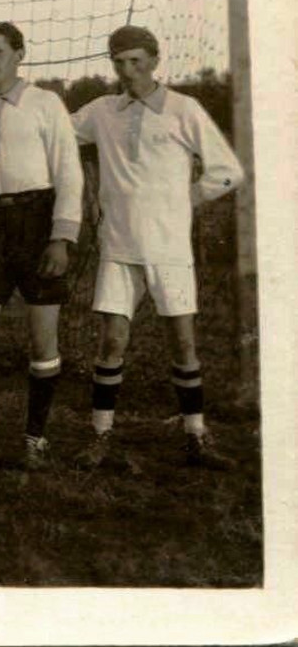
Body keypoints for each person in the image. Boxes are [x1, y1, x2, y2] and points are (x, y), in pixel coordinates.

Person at [69, 25, 243, 472]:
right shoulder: (103, 111)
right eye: (118, 62)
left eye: (135, 62)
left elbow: (227, 171)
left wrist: (185, 197)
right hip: (118, 248)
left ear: (154, 60)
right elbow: (59, 134)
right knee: (112, 344)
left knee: (183, 344)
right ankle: (101, 437)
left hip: (169, 250)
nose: (127, 71)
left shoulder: (184, 109)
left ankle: (196, 437)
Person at [0, 20, 82, 473]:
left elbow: (69, 173)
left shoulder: (45, 103)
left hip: (38, 222)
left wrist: (61, 238)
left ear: (19, 54)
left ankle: (35, 440)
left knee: (42, 341)